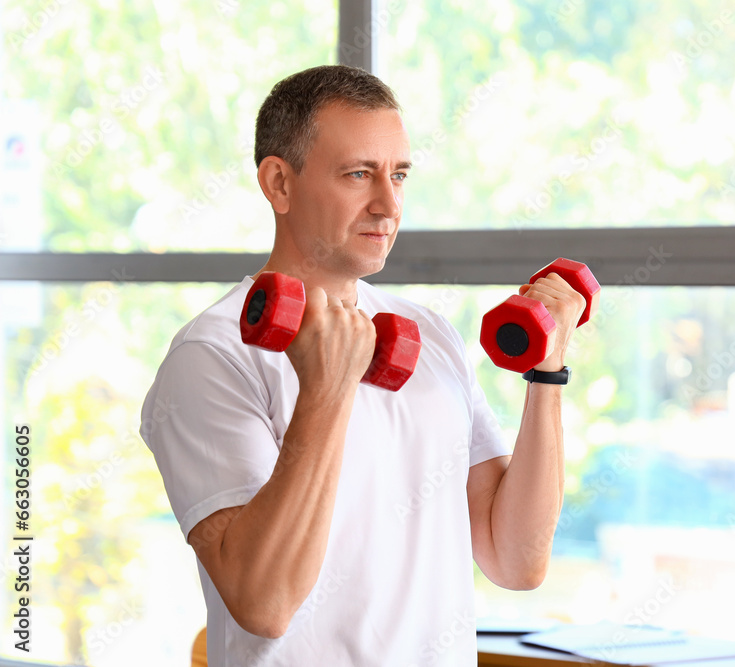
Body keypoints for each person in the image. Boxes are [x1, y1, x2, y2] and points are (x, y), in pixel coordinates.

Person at [140, 65, 586, 666]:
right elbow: (263, 602)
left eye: (399, 175)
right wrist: (326, 393)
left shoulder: (431, 335)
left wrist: (547, 375)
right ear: (279, 184)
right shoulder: (212, 358)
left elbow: (517, 561)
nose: (389, 204)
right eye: (358, 174)